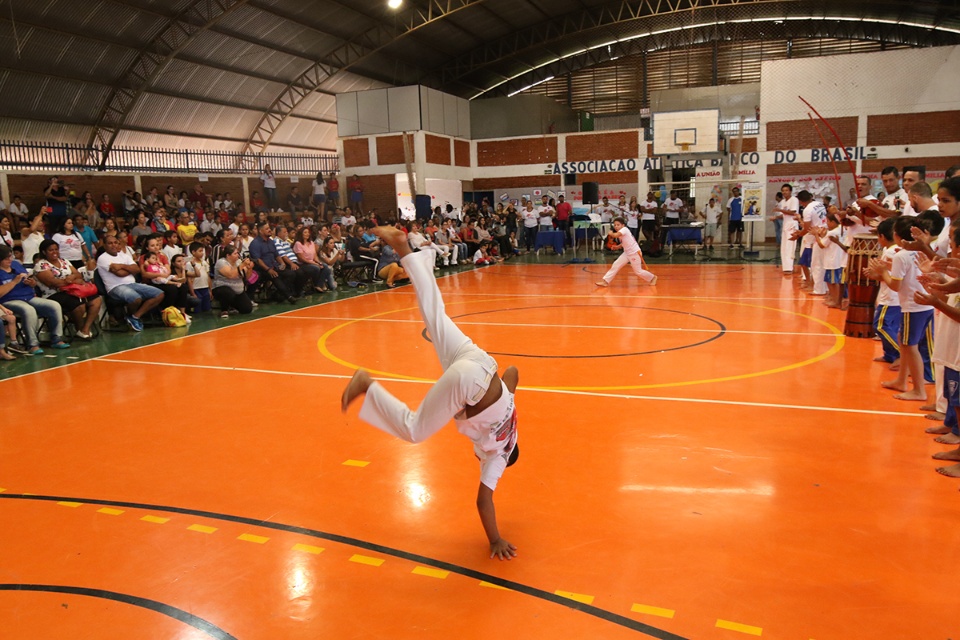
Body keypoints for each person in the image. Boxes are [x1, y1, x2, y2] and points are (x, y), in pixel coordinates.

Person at [341, 226, 520, 560]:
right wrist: (495, 539)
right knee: (413, 430)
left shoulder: (512, 417)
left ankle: (406, 251)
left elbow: (512, 372)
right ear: (508, 455)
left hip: (479, 359)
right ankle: (367, 385)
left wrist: (507, 395)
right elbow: (483, 501)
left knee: (435, 314)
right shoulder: (497, 456)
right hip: (468, 380)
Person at [868, 216, 935, 401]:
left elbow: (896, 286)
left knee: (910, 347)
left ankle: (919, 389)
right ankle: (901, 379)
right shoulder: (919, 251)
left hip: (913, 306)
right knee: (904, 341)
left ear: (896, 235)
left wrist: (883, 272)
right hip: (926, 304)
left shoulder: (901, 255)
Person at [0, 244, 71, 354]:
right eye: (6, 258)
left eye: (10, 256)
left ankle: (56, 338)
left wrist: (32, 283)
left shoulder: (16, 265)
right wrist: (14, 282)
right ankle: (32, 344)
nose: (10, 260)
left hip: (28, 296)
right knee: (29, 310)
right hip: (9, 301)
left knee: (54, 305)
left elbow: (31, 281)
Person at [33, 239, 101, 339]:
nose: (54, 252)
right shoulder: (41, 265)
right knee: (79, 304)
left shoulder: (64, 261)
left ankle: (85, 329)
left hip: (73, 291)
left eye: (56, 249)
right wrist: (72, 280)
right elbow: (52, 282)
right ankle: (79, 328)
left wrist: (71, 278)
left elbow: (78, 274)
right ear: (44, 252)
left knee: (96, 300)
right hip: (53, 295)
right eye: (51, 250)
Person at [97, 235, 164, 332]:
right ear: (104, 245)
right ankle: (131, 316)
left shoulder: (124, 256)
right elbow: (120, 274)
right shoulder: (103, 258)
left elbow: (136, 269)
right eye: (110, 243)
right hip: (115, 287)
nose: (113, 245)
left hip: (132, 284)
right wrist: (129, 269)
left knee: (159, 294)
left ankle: (134, 317)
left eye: (115, 242)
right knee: (135, 298)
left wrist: (121, 265)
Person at [869, 218, 902, 370]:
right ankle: (890, 355)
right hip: (893, 296)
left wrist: (875, 273)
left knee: (880, 326)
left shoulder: (890, 251)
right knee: (891, 326)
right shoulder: (892, 249)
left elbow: (886, 275)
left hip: (890, 297)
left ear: (882, 237)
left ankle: (902, 355)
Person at [595, 217, 657, 287]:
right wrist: (618, 246)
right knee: (616, 265)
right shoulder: (621, 232)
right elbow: (625, 242)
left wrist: (610, 233)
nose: (616, 226)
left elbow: (615, 235)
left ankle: (653, 277)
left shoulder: (624, 230)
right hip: (627, 253)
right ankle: (605, 281)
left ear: (623, 225)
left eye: (618, 225)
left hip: (634, 253)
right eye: (615, 225)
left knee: (638, 271)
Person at [250, 221, 298, 303]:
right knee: (275, 276)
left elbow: (276, 255)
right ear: (261, 231)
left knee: (291, 273)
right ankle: (289, 296)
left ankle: (277, 294)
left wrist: (282, 263)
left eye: (269, 228)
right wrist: (268, 269)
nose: (270, 230)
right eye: (267, 229)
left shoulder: (271, 242)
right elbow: (258, 260)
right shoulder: (255, 243)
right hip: (263, 269)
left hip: (274, 266)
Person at [212, 245, 255, 317]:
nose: (238, 255)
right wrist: (242, 265)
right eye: (235, 253)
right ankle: (224, 310)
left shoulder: (238, 262)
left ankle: (233, 306)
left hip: (238, 290)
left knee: (247, 309)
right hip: (222, 288)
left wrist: (250, 268)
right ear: (228, 255)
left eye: (238, 253)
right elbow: (231, 275)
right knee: (228, 293)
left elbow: (247, 277)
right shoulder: (221, 262)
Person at [771, 184, 800, 274]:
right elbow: (784, 215)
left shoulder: (794, 200)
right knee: (783, 247)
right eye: (783, 190)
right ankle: (786, 267)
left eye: (786, 190)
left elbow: (792, 212)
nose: (784, 192)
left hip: (792, 225)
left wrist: (780, 210)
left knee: (789, 247)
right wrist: (776, 217)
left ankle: (789, 268)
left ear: (790, 191)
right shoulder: (783, 201)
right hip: (785, 225)